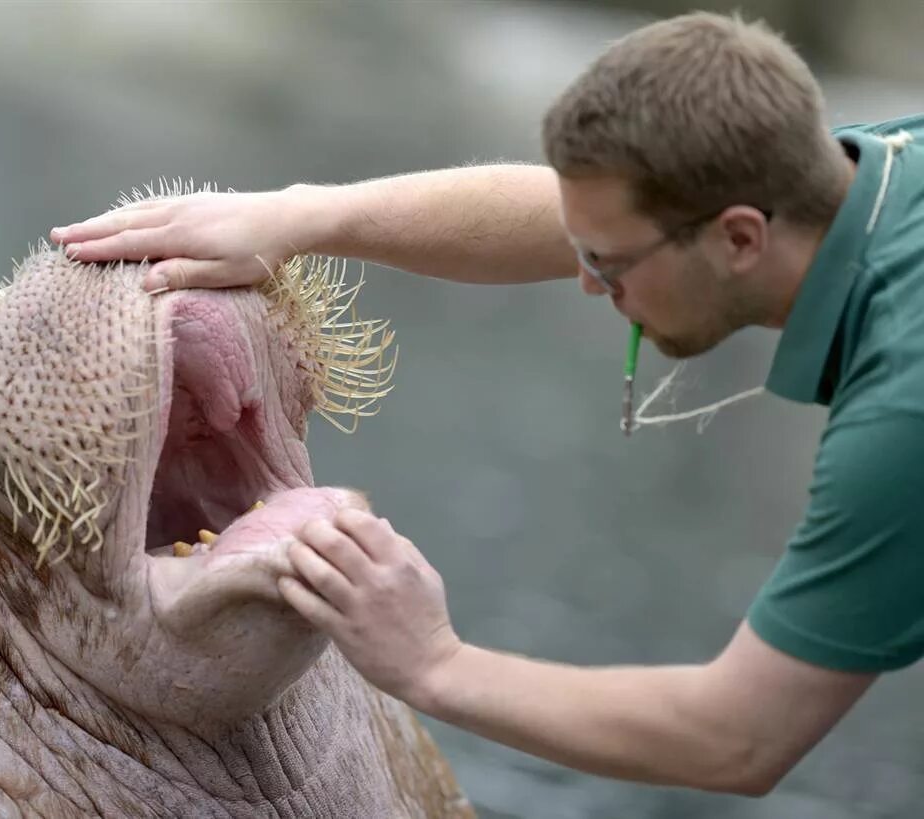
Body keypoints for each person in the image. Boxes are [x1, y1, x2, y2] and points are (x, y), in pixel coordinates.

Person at [50, 12, 924, 797]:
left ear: (739, 237)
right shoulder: (874, 172)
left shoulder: (901, 416)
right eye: (584, 252)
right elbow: (572, 219)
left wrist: (435, 663)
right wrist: (296, 218)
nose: (587, 282)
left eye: (609, 264)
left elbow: (738, 738)